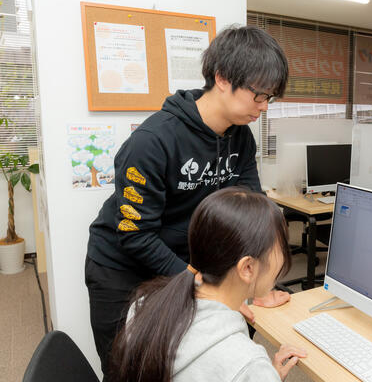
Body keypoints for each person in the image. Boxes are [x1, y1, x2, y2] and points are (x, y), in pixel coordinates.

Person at [85, 25, 290, 376]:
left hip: (183, 263)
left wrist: (260, 282)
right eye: (258, 96)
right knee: (127, 368)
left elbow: (252, 212)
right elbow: (135, 235)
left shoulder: (241, 139)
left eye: (269, 98)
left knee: (180, 362)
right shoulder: (152, 141)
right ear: (223, 78)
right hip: (121, 265)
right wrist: (197, 282)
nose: (263, 107)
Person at [110, 187, 307, 382]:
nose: (284, 255)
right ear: (247, 268)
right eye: (281, 246)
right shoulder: (248, 364)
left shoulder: (146, 304)